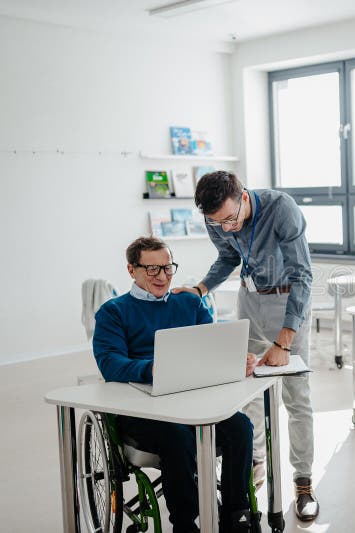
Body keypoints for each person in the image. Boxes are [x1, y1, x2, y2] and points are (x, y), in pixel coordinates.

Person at [175, 171, 318, 521]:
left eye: (230, 218)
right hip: (250, 301)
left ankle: (303, 481)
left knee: (296, 397)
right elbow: (228, 258)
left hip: (288, 302)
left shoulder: (281, 209)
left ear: (242, 196)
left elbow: (302, 275)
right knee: (247, 388)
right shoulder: (216, 217)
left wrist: (285, 340)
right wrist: (201, 288)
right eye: (217, 222)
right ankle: (253, 464)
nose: (226, 227)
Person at [93, 237, 258, 533]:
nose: (163, 276)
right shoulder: (113, 311)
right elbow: (110, 364)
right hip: (141, 409)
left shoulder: (189, 303)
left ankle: (236, 514)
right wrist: (152, 369)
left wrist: (235, 360)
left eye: (168, 268)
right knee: (176, 435)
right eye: (152, 269)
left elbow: (212, 347)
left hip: (192, 401)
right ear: (132, 270)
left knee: (240, 427)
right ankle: (185, 524)